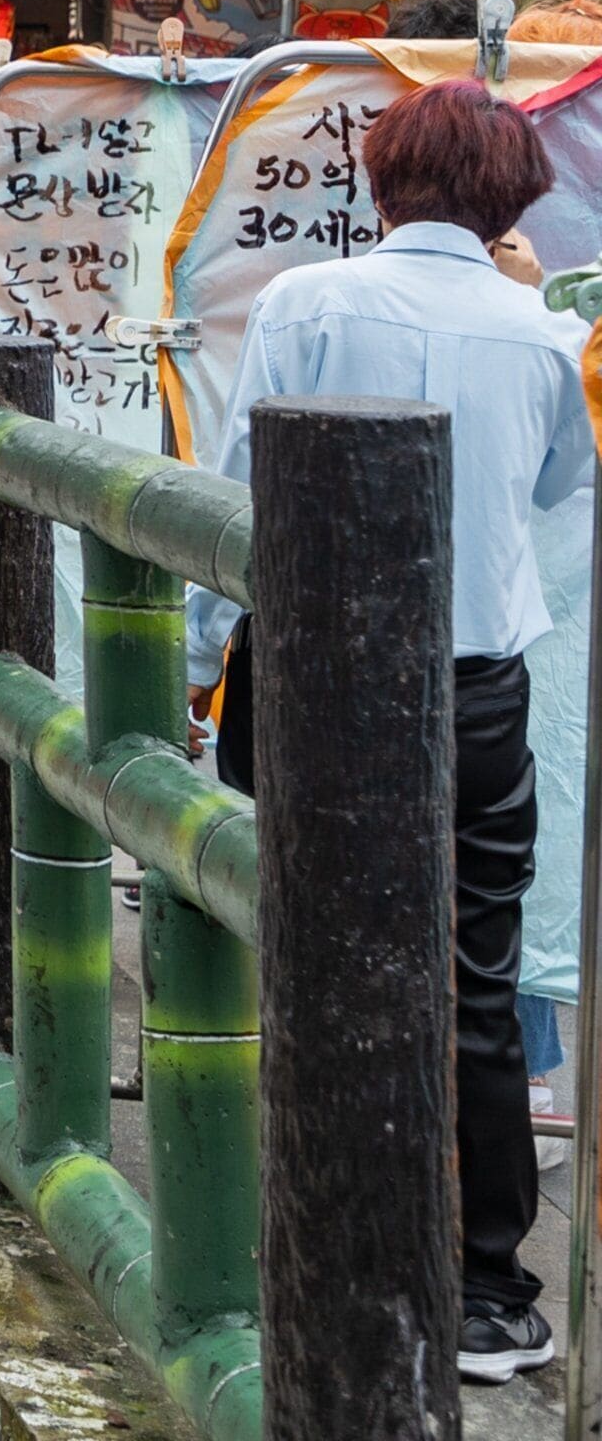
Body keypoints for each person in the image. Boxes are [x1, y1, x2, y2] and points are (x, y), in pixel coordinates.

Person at [182, 78, 597, 1383]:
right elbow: (554, 486)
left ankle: (309, 1247)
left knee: (305, 949)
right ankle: (483, 1290)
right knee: (471, 979)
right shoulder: (536, 330)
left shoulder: (309, 300)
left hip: (312, 666)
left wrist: (201, 657)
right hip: (478, 682)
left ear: (381, 179)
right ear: (514, 198)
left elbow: (245, 490)